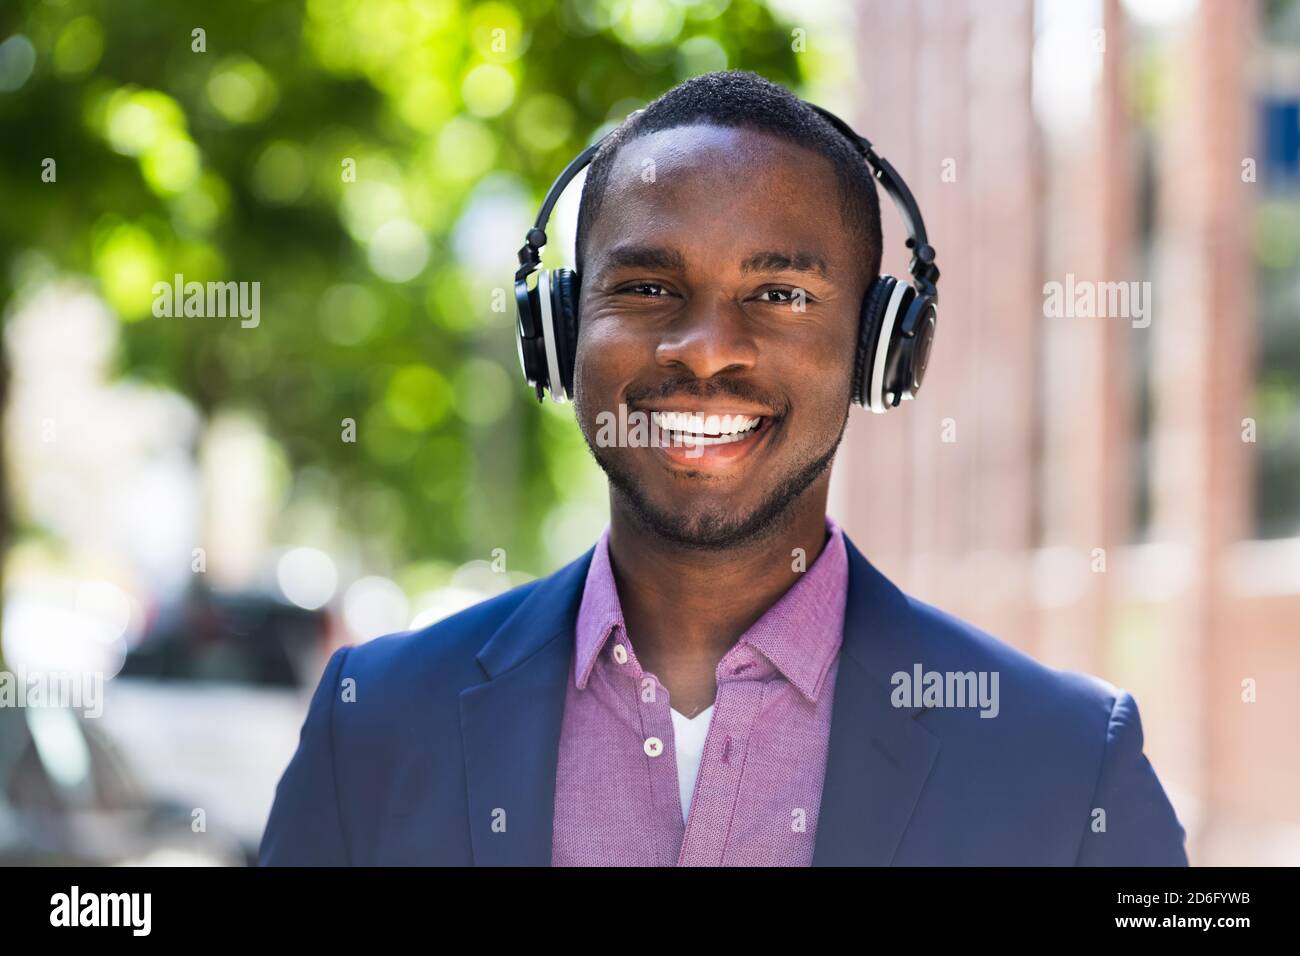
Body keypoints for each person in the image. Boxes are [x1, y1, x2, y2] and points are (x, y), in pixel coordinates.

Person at [260, 70, 1187, 866]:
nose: (706, 352)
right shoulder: (372, 726)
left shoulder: (1065, 764)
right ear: (562, 332)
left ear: (878, 349)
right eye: (649, 288)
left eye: (780, 294)